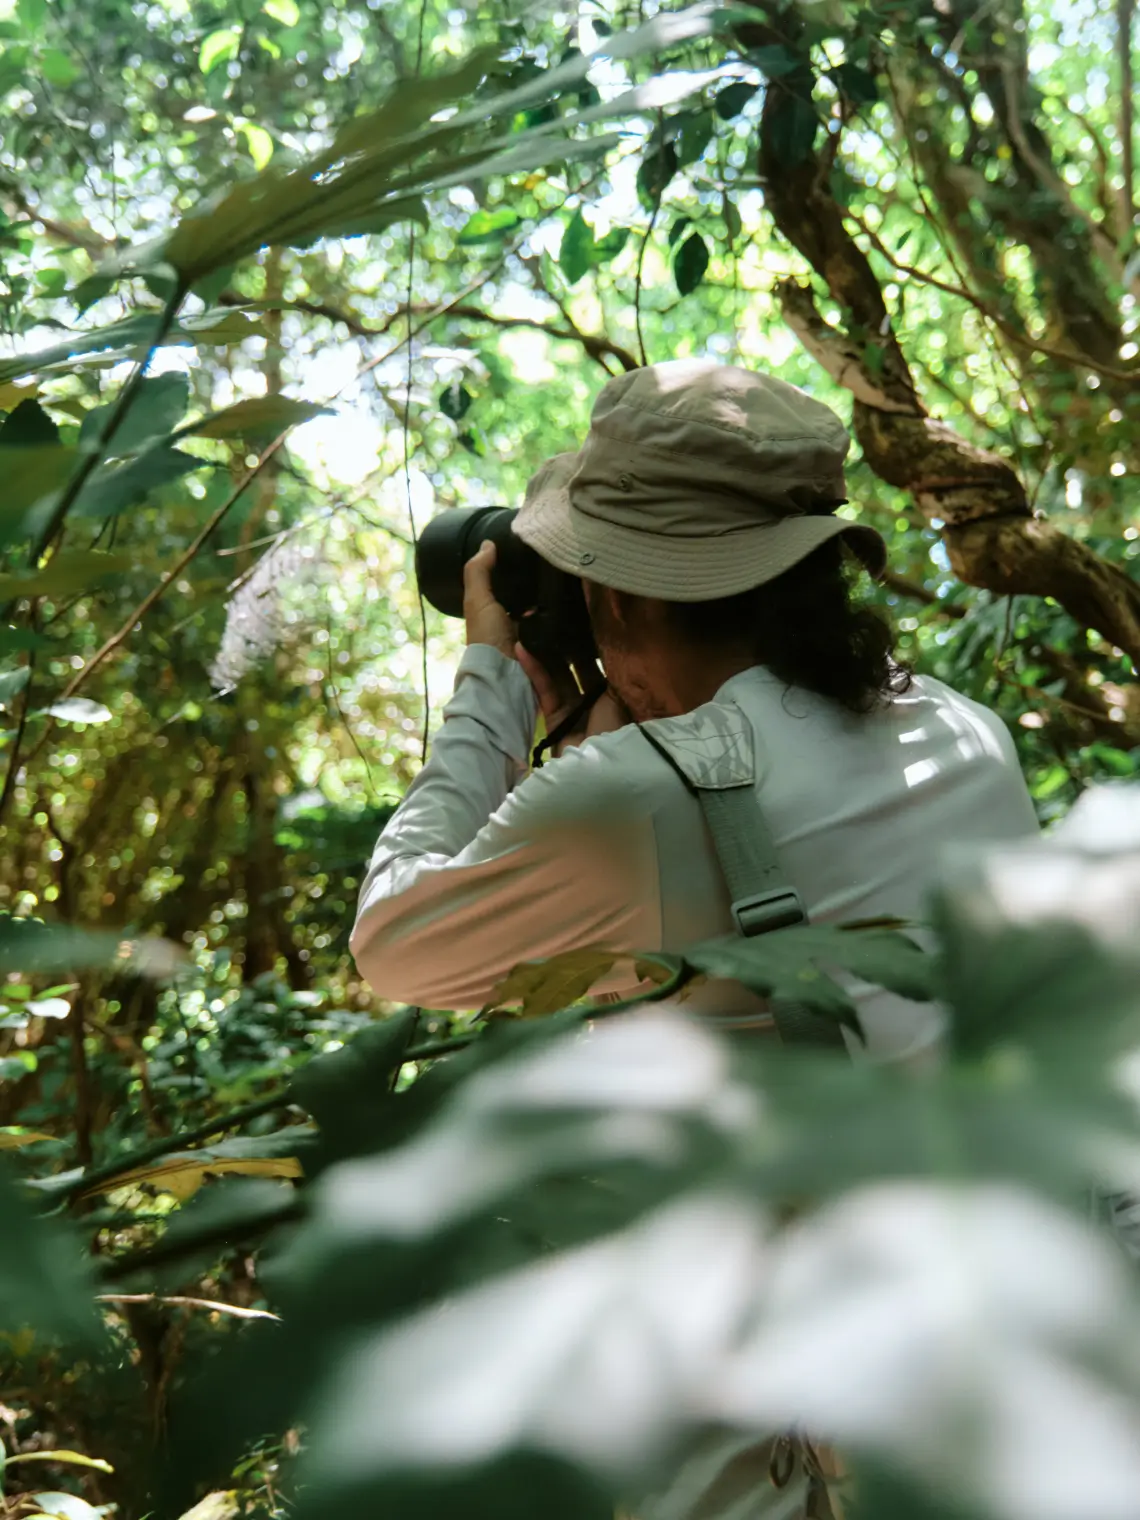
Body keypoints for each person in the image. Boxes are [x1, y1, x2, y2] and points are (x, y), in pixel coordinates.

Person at [350, 359, 1038, 1061]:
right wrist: (601, 753)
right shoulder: (964, 726)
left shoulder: (634, 798)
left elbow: (390, 948)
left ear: (617, 595)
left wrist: (490, 688)